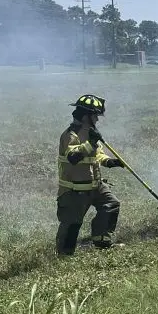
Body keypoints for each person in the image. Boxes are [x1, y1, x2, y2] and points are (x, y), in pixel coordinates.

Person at [56, 94, 124, 256]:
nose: (98, 120)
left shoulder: (90, 132)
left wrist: (109, 162)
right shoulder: (70, 135)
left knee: (111, 204)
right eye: (95, 116)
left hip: (95, 185)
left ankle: (102, 241)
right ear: (86, 116)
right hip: (75, 190)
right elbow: (73, 157)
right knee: (72, 224)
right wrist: (90, 143)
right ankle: (64, 256)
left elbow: (97, 155)